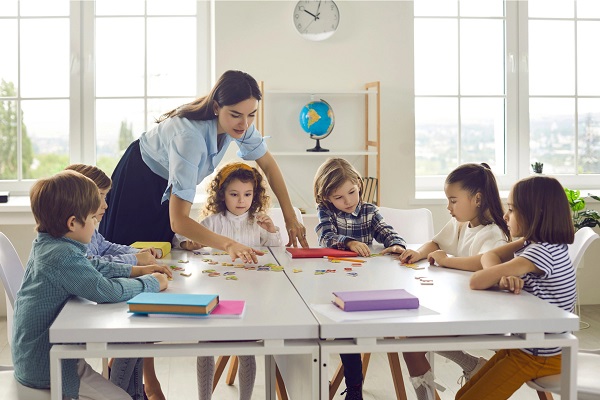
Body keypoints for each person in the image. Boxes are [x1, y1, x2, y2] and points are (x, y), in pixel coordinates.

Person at [99, 70, 307, 264]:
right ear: (216, 107)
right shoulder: (190, 139)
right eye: (235, 115)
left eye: (251, 114)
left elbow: (269, 166)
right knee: (130, 257)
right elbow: (178, 222)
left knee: (160, 256)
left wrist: (290, 218)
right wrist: (229, 243)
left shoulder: (241, 127)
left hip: (165, 182)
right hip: (139, 180)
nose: (244, 124)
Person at [11, 170, 170, 400]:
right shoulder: (62, 256)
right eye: (93, 218)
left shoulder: (51, 244)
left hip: (38, 356)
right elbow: (107, 291)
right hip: (49, 365)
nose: (97, 222)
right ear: (73, 223)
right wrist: (151, 283)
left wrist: (137, 270)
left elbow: (92, 265)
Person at [456, 174, 576, 400]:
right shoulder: (539, 243)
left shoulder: (539, 253)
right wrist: (501, 276)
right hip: (529, 345)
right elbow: (490, 255)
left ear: (534, 214)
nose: (505, 216)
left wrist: (495, 274)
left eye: (511, 209)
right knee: (463, 395)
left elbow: (477, 280)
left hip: (539, 354)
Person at [398, 163, 511, 400]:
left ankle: (469, 366)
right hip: (460, 307)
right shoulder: (461, 222)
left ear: (477, 199)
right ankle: (470, 366)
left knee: (408, 337)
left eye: (453, 200)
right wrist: (418, 253)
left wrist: (447, 261)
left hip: (484, 314)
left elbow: (484, 262)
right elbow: (437, 243)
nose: (448, 207)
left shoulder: (494, 234)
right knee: (406, 336)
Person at [171, 161, 282, 400]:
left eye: (247, 194)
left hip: (250, 293)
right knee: (206, 345)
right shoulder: (213, 221)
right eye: (234, 194)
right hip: (217, 292)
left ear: (255, 195)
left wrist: (272, 230)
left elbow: (277, 251)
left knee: (247, 349)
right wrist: (189, 243)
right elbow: (180, 237)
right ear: (223, 196)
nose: (241, 200)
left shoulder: (258, 221)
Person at [65, 163, 166, 400]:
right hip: (76, 319)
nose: (105, 205)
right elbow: (97, 270)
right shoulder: (69, 245)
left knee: (138, 329)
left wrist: (138, 253)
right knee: (134, 329)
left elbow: (104, 250)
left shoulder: (84, 231)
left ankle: (134, 393)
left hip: (80, 311)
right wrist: (141, 269)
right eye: (99, 197)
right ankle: (127, 392)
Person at [313, 157, 406, 400]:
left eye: (352, 192)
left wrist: (396, 245)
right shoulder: (326, 211)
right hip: (336, 284)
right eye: (339, 197)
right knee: (345, 331)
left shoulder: (369, 211)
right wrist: (350, 242)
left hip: (367, 284)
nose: (348, 201)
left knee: (361, 327)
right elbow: (325, 236)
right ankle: (355, 387)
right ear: (327, 198)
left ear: (359, 185)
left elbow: (387, 231)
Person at [65, 164, 158, 266]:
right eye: (99, 196)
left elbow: (106, 247)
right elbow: (93, 264)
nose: (105, 205)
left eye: (105, 197)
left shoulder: (89, 228)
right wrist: (134, 259)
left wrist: (136, 252)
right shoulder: (75, 233)